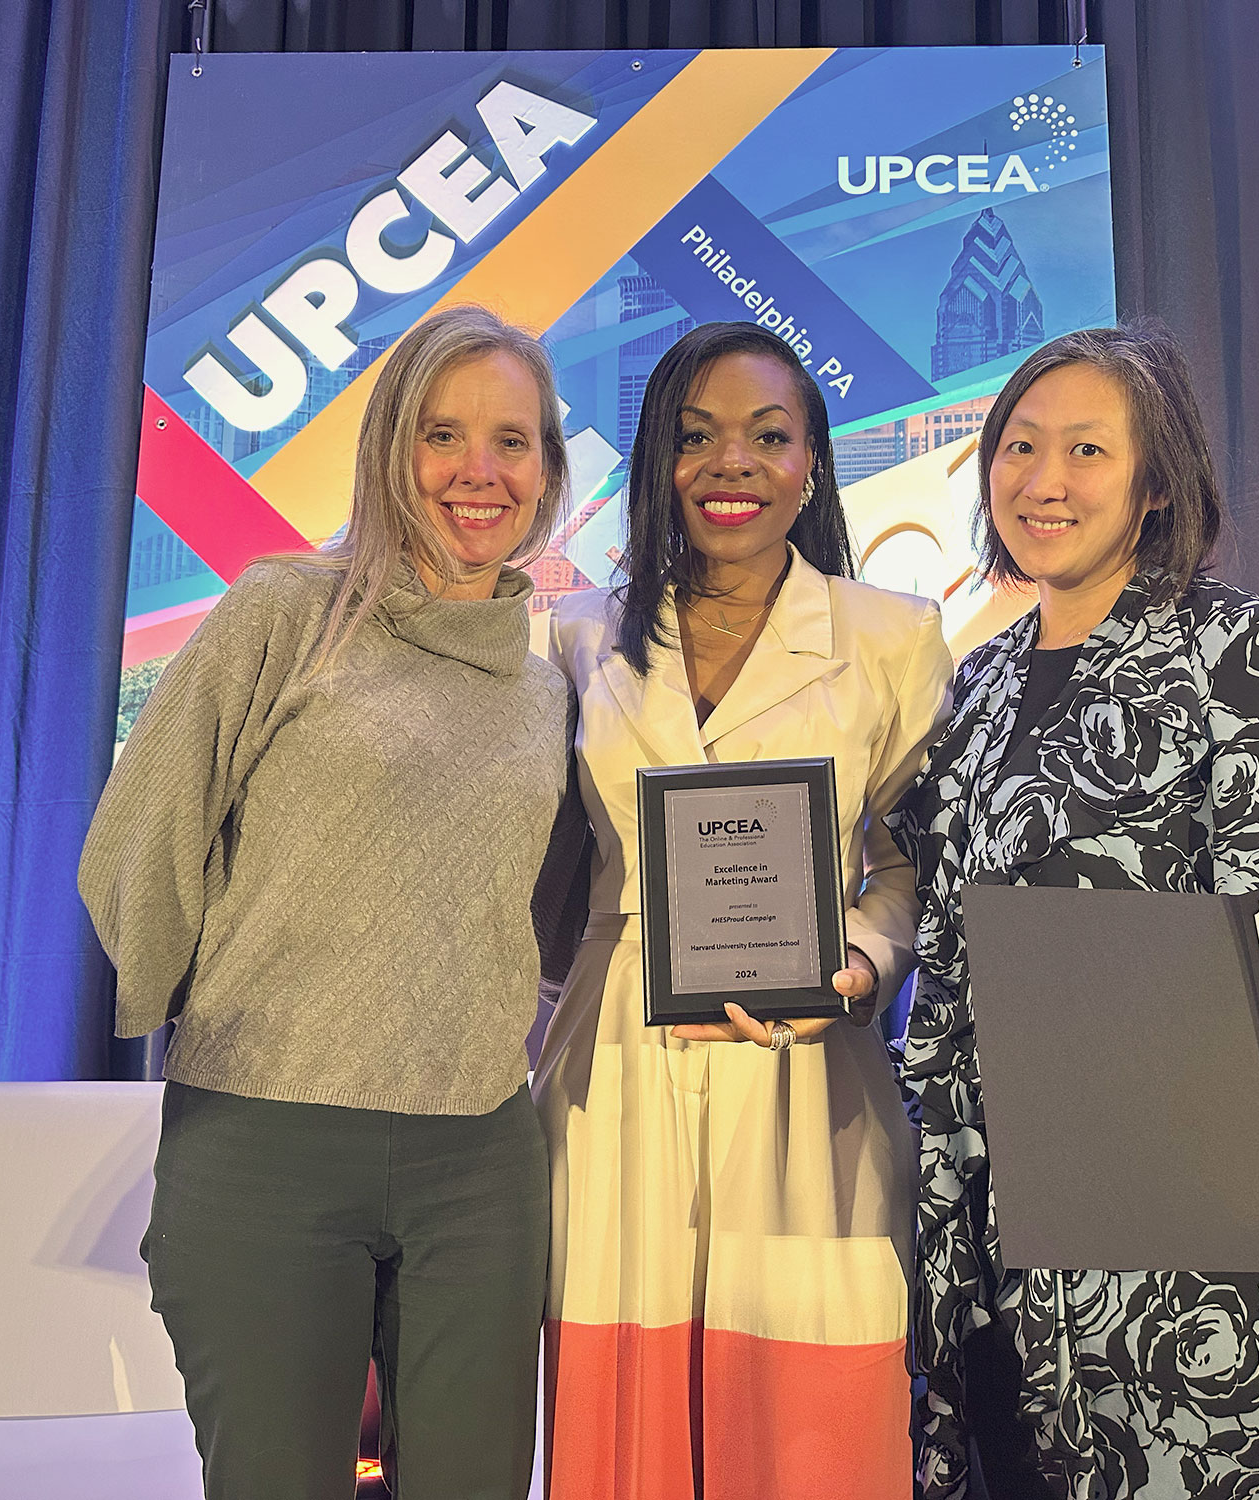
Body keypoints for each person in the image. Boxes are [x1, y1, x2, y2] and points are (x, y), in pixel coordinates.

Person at [890, 324, 1259, 1500]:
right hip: (996, 1237)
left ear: (1155, 482)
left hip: (1197, 1232)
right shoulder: (978, 682)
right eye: (1018, 446)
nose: (1042, 481)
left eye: (1085, 451)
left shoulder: (1233, 648)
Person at [79, 304, 572, 1500]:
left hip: (481, 1157)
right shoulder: (283, 610)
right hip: (266, 1143)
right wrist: (211, 1018)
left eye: (512, 442)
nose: (477, 472)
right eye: (443, 435)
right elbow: (142, 835)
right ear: (389, 448)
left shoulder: (544, 684)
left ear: (551, 469)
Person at [533, 321, 953, 1499]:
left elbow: (912, 864)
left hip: (807, 1063)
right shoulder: (571, 641)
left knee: (808, 1427)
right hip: (612, 1061)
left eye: (768, 437)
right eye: (696, 435)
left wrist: (859, 971)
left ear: (812, 466)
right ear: (655, 462)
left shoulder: (893, 637)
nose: (733, 464)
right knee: (619, 1427)